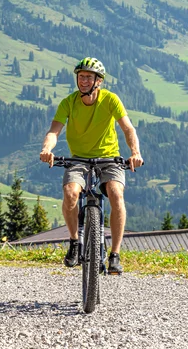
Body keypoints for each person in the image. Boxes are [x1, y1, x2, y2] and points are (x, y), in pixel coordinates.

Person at [39, 57, 142, 275]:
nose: (84, 81)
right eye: (81, 76)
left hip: (109, 158)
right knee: (70, 193)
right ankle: (75, 241)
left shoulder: (110, 99)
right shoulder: (69, 102)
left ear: (99, 81)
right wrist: (47, 149)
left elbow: (128, 129)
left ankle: (115, 254)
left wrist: (135, 153)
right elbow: (54, 131)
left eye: (88, 77)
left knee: (116, 194)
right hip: (78, 159)